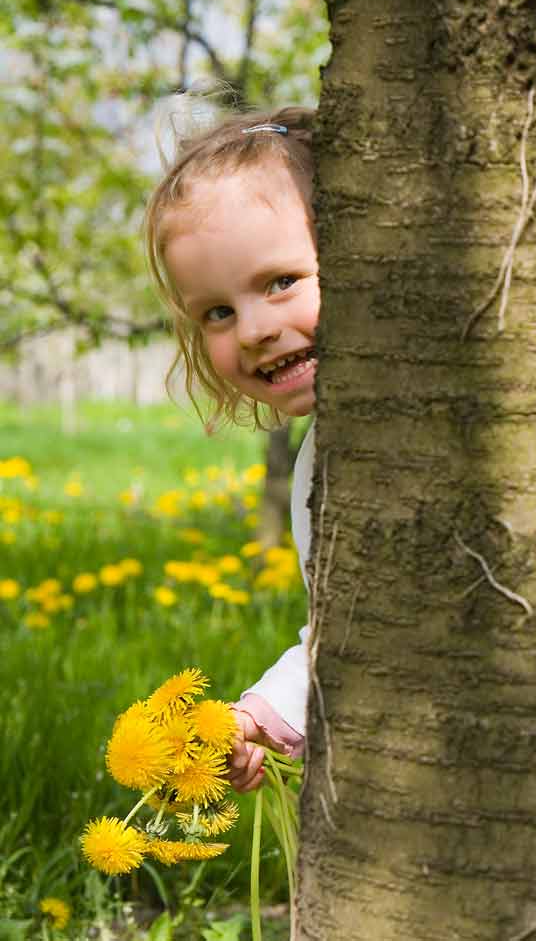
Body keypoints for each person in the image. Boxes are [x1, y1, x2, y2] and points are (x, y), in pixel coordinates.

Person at [144, 105, 320, 791]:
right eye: (216, 311)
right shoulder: (329, 458)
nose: (252, 330)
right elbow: (352, 632)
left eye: (281, 282)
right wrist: (258, 717)